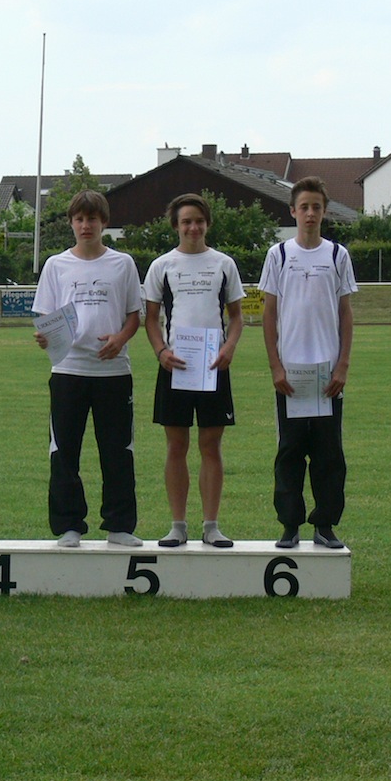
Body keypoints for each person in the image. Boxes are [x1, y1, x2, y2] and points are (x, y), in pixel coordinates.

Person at [32, 190, 144, 547]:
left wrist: (120, 339)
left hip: (113, 372)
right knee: (64, 451)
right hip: (68, 371)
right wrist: (45, 337)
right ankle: (69, 525)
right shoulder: (56, 265)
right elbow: (46, 317)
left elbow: (134, 315)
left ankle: (119, 525)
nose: (85, 225)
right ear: (71, 223)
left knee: (118, 451)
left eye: (92, 219)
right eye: (79, 219)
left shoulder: (122, 264)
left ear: (103, 222)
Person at [141, 194, 245, 548]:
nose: (193, 227)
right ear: (176, 225)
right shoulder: (162, 266)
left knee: (211, 445)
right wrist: (161, 352)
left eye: (199, 221)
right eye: (186, 221)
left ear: (207, 224)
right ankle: (177, 526)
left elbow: (236, 317)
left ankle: (211, 526)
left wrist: (229, 347)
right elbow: (151, 319)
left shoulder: (224, 264)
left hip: (214, 366)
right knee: (176, 446)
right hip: (175, 367)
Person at [259, 177, 357, 550]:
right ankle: (290, 525)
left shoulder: (337, 255)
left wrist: (342, 366)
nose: (311, 213)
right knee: (289, 453)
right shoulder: (279, 255)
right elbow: (269, 314)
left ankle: (325, 524)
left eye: (317, 207)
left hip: (327, 377)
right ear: (293, 211)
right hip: (292, 377)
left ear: (324, 211)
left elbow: (345, 314)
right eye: (304, 207)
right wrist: (276, 367)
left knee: (329, 455)